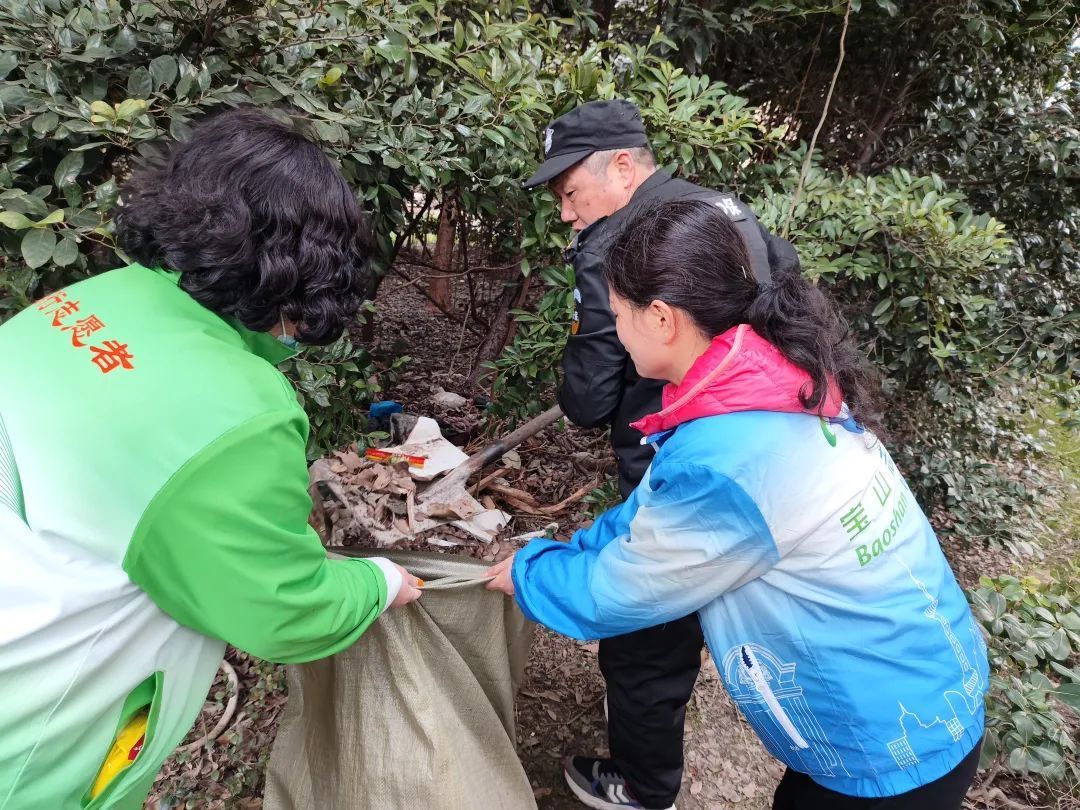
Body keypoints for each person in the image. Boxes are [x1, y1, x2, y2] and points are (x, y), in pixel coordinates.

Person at [488, 200, 988, 810]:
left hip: (888, 748)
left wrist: (528, 572)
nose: (615, 332)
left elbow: (620, 592)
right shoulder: (770, 378)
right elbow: (654, 518)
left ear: (662, 318)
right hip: (923, 692)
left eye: (618, 315)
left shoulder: (730, 459)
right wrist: (567, 547)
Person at [0, 108, 423, 810]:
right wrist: (380, 582)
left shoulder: (83, 302)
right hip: (28, 746)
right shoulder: (237, 412)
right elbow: (283, 612)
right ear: (296, 270)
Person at [521, 98, 799, 810]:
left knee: (645, 635)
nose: (567, 212)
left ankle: (643, 787)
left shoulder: (626, 243)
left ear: (621, 166)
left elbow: (587, 397)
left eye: (570, 193)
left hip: (681, 460)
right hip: (773, 448)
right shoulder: (724, 212)